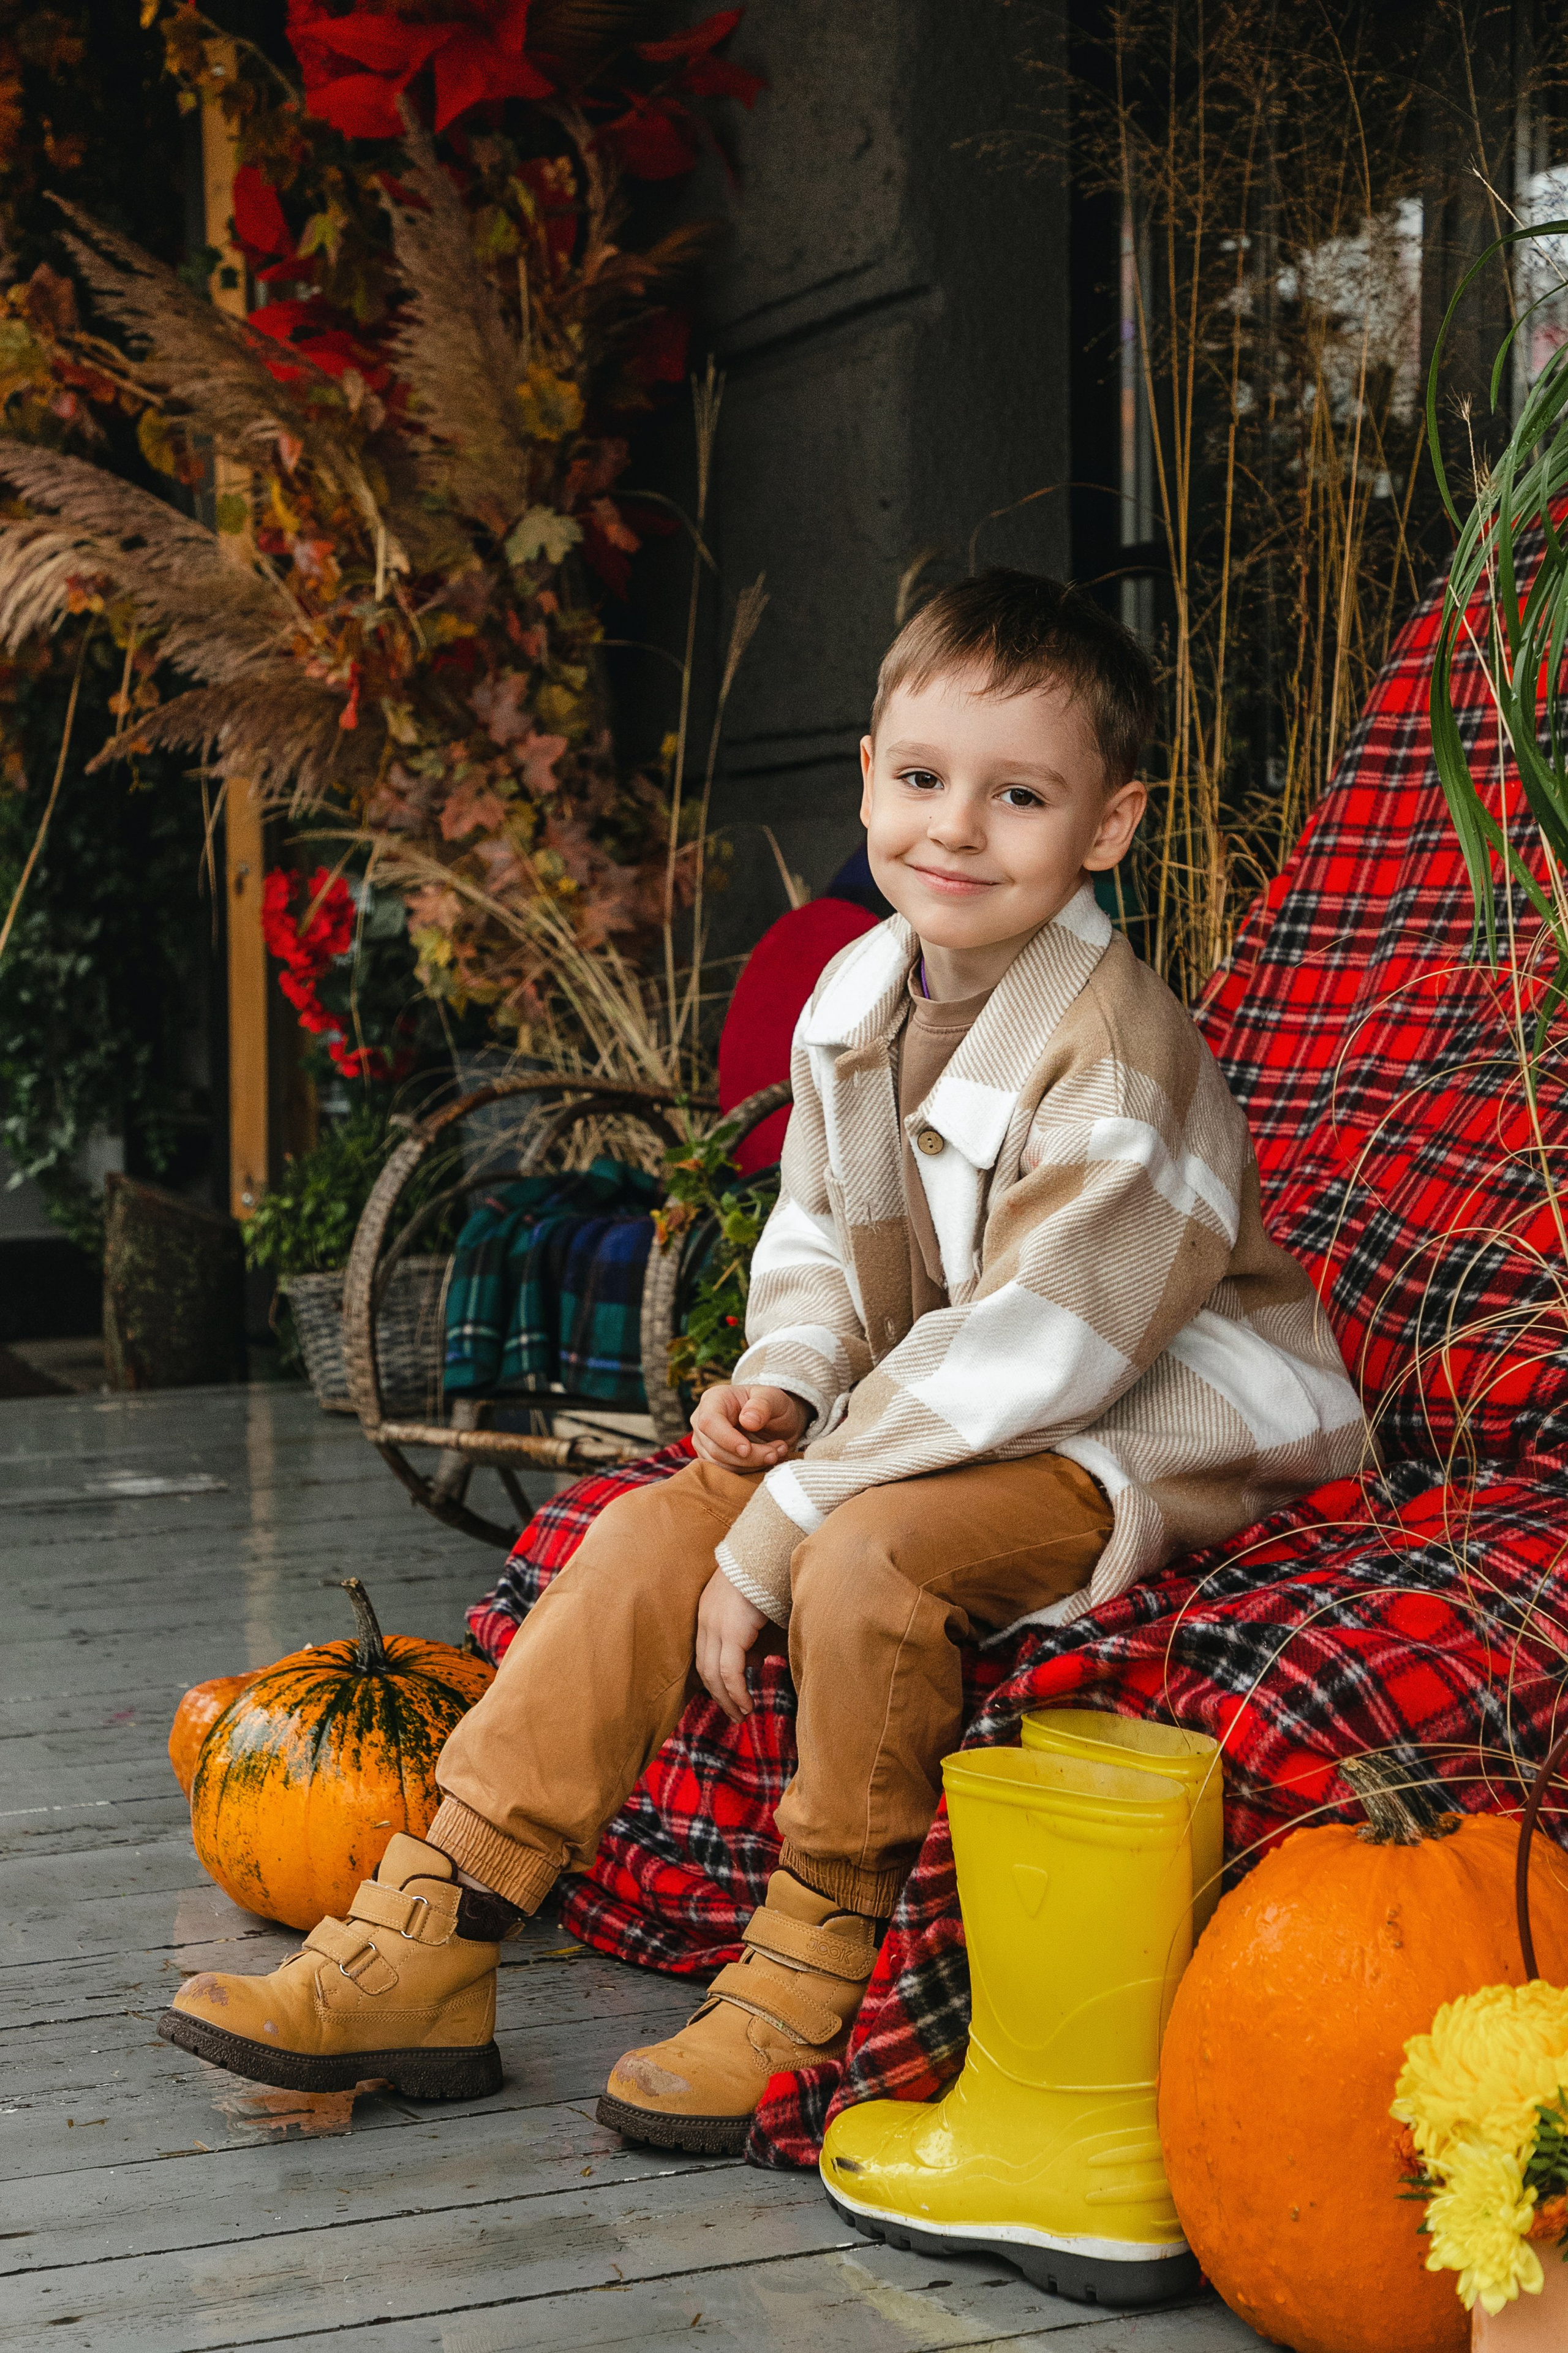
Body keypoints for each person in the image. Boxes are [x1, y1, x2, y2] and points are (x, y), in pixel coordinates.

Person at [160, 570, 1366, 2154]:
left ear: (1109, 825)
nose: (955, 828)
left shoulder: (1118, 1049)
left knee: (867, 1561)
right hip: (950, 1406)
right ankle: (432, 1928)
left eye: (1020, 796)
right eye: (922, 778)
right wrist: (790, 1378)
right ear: (866, 778)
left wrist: (798, 1509)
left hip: (1146, 1426)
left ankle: (814, 1956)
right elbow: (818, 1231)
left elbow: (1049, 1346)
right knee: (650, 1527)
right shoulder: (858, 994)